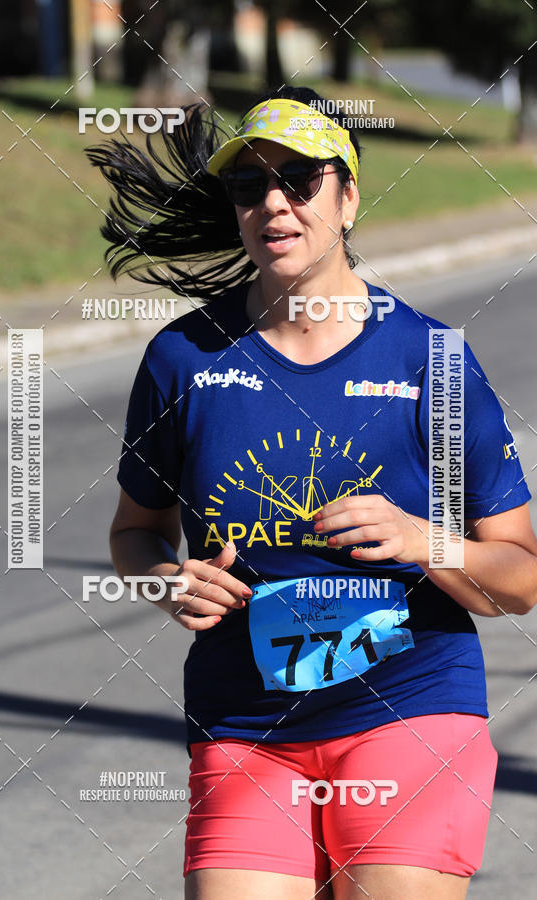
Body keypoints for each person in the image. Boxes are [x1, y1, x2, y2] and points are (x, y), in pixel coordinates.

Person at [87, 85, 537, 900]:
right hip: (246, 722)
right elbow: (135, 531)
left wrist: (421, 538)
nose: (273, 203)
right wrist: (164, 580)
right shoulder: (185, 359)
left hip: (411, 708)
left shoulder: (427, 360)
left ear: (349, 196)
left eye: (299, 180)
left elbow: (520, 579)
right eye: (249, 185)